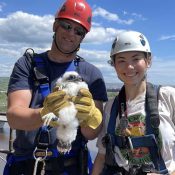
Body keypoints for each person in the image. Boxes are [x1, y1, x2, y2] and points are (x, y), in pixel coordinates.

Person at [5, 0, 108, 174]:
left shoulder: (92, 74)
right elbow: (14, 117)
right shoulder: (28, 65)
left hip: (71, 167)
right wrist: (45, 113)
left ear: (83, 37)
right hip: (26, 166)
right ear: (55, 25)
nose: (71, 34)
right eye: (66, 26)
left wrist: (90, 115)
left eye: (79, 31)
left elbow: (91, 134)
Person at [92, 30, 175, 175]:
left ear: (148, 61)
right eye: (121, 60)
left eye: (136, 59)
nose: (129, 67)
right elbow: (101, 155)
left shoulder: (167, 97)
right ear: (114, 65)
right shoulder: (111, 108)